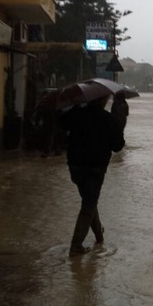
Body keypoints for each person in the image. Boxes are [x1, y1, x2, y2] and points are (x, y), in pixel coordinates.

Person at [58, 96, 125, 257]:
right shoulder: (108, 119)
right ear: (103, 101)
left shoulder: (77, 114)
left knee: (89, 200)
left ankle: (99, 237)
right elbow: (118, 146)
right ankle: (76, 246)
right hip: (95, 168)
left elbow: (60, 123)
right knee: (88, 204)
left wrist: (74, 106)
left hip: (75, 167)